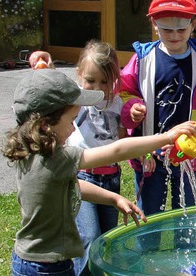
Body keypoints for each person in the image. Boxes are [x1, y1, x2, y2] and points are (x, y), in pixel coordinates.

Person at [2, 69, 196, 275]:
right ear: (44, 126)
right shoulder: (57, 159)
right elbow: (117, 150)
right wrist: (166, 137)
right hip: (46, 267)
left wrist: (113, 198)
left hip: (35, 261)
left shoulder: (32, 154)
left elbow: (72, 184)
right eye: (71, 121)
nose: (73, 129)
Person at [29, 41, 131, 275]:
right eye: (91, 80)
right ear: (79, 76)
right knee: (89, 236)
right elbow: (54, 87)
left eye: (105, 81)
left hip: (111, 178)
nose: (98, 87)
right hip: (83, 177)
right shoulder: (76, 96)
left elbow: (124, 136)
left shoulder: (117, 102)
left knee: (106, 239)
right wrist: (46, 63)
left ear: (114, 78)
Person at [119, 0, 196, 216]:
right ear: (155, 24)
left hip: (188, 154)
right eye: (166, 30)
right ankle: (149, 250)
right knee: (149, 215)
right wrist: (131, 107)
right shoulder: (142, 60)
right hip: (151, 156)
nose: (174, 35)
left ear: (194, 24)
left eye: (181, 29)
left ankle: (185, 248)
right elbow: (124, 90)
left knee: (187, 216)